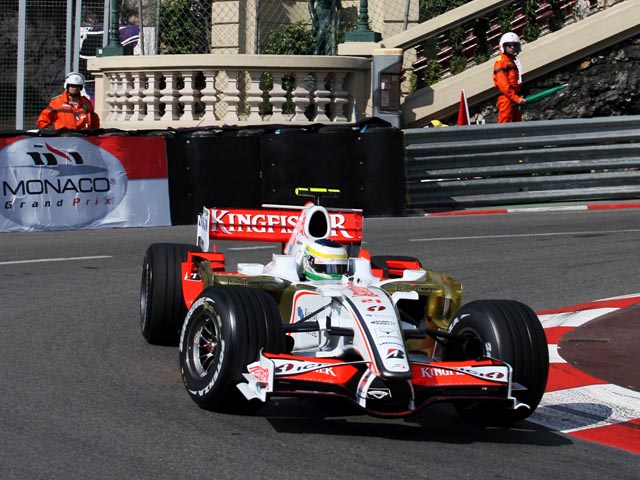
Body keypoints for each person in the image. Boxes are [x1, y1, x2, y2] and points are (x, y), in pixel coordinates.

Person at [493, 32, 526, 123]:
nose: (512, 47)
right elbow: (503, 85)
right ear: (503, 46)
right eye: (509, 45)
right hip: (506, 99)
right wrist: (516, 98)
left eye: (514, 45)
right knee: (505, 124)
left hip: (513, 97)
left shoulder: (511, 61)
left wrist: (517, 97)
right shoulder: (501, 62)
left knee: (517, 124)